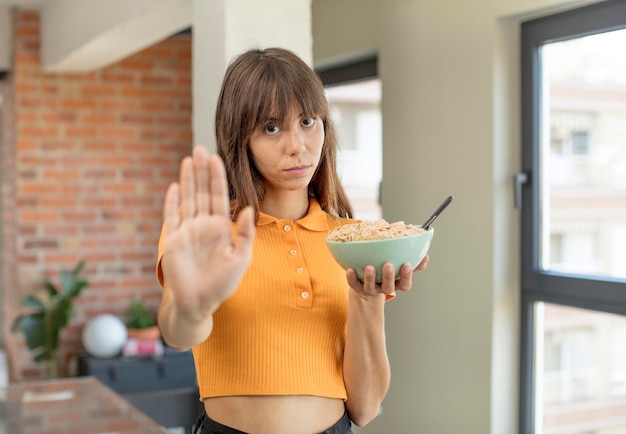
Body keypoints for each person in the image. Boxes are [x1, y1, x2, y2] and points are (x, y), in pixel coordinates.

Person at [156, 47, 429, 434]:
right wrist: (193, 307)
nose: (297, 145)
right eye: (271, 128)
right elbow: (178, 333)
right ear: (240, 138)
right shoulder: (207, 230)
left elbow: (365, 407)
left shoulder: (349, 239)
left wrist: (367, 299)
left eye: (307, 121)